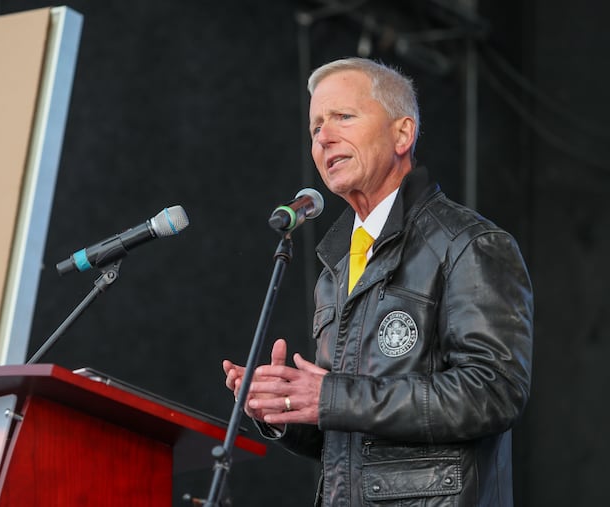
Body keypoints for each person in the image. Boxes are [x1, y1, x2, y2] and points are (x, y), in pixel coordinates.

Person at [222, 57, 533, 506]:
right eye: (315, 128)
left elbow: (494, 391)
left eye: (343, 117)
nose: (324, 137)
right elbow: (349, 437)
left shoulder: (470, 243)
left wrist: (330, 396)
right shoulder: (338, 261)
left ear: (402, 134)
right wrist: (284, 408)